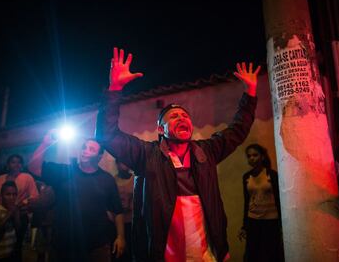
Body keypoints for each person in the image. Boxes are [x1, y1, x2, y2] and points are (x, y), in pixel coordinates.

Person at [96, 47, 260, 261]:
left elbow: (237, 130)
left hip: (206, 254)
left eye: (185, 115)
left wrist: (251, 93)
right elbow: (107, 135)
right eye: (173, 116)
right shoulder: (146, 155)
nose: (182, 118)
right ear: (161, 130)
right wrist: (115, 88)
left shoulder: (206, 152)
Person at [28, 135, 125, 262]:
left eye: (91, 149)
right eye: (84, 147)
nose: (85, 150)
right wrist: (45, 144)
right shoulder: (64, 172)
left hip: (97, 246)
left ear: (99, 156)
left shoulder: (107, 179)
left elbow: (117, 210)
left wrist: (121, 237)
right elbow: (33, 167)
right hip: (63, 245)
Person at [238, 144, 284, 262]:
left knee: (272, 253)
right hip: (253, 220)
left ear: (262, 157)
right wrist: (244, 226)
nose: (252, 158)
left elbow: (280, 199)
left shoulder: (271, 175)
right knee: (253, 254)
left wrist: (282, 224)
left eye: (255, 155)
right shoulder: (246, 177)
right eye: (249, 156)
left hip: (271, 221)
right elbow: (246, 202)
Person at [0, 181, 21, 261]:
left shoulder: (15, 210)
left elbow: (18, 231)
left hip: (9, 255)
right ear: (1, 196)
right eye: (8, 194)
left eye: (14, 194)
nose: (12, 197)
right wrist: (9, 213)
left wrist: (16, 215)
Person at [108, 161, 134, 262]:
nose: (124, 165)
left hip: (131, 222)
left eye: (126, 162)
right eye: (121, 162)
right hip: (116, 223)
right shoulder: (112, 180)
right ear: (117, 164)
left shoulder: (135, 179)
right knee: (118, 253)